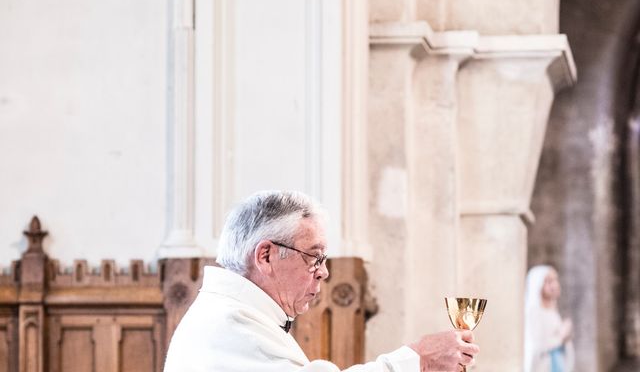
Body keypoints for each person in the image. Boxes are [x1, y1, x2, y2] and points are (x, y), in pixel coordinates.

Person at [163, 190, 479, 372]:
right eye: (314, 257)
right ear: (266, 257)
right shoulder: (227, 324)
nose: (324, 272)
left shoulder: (237, 315)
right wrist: (417, 360)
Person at [524, 265, 574, 372]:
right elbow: (536, 346)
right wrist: (561, 335)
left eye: (555, 280)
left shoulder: (552, 310)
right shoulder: (533, 311)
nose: (555, 285)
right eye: (549, 281)